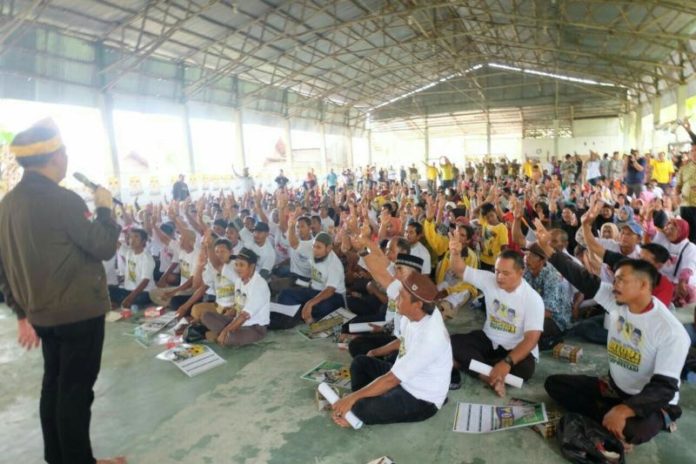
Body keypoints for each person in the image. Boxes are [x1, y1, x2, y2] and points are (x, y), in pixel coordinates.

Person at [0, 119, 125, 463]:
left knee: (54, 387)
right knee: (74, 393)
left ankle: (59, 458)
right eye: (64, 151)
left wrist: (21, 313)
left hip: (42, 315)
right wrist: (104, 207)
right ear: (54, 157)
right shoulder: (63, 200)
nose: (66, 157)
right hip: (77, 314)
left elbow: (3, 267)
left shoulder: (8, 204)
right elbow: (103, 245)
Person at [534, 219, 690, 447]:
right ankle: (609, 413)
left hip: (648, 399)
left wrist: (627, 409)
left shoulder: (671, 331)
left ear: (644, 286)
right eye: (614, 279)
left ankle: (653, 417)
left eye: (621, 281)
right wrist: (547, 249)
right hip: (614, 388)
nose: (614, 285)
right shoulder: (617, 300)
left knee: (631, 430)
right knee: (555, 384)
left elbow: (664, 388)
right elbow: (582, 279)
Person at [330, 270, 452, 427]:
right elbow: (402, 341)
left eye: (401, 297)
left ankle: (359, 409)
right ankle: (362, 404)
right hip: (404, 377)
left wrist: (352, 399)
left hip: (421, 398)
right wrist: (375, 352)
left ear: (417, 305)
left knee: (360, 407)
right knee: (360, 363)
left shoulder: (430, 337)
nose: (396, 299)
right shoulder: (414, 314)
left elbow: (392, 379)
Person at [448, 235, 544, 396]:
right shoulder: (489, 279)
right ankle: (491, 377)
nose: (499, 277)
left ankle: (473, 366)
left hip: (514, 348)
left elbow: (531, 339)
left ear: (521, 272)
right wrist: (455, 253)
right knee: (453, 342)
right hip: (489, 339)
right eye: (497, 271)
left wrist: (507, 363)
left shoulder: (532, 299)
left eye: (506, 273)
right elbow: (460, 270)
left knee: (524, 371)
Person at [274, 231, 346, 328]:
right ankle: (300, 314)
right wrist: (291, 225)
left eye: (319, 247)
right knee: (285, 294)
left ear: (328, 248)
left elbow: (330, 290)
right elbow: (294, 244)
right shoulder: (311, 248)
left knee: (323, 307)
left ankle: (299, 313)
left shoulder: (335, 264)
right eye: (314, 246)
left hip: (334, 296)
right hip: (313, 290)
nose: (315, 250)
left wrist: (310, 303)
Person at [200, 248, 270, 346]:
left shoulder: (260, 285)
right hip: (237, 321)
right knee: (205, 316)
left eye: (241, 265)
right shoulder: (239, 281)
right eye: (236, 264)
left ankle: (221, 335)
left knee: (228, 338)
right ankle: (221, 334)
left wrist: (225, 331)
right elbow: (237, 306)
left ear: (252, 266)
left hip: (255, 328)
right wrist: (224, 319)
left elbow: (244, 316)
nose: (237, 268)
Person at [108, 228, 155, 310]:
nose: (132, 239)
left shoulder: (146, 258)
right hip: (128, 291)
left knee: (139, 299)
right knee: (108, 289)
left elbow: (145, 282)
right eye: (130, 237)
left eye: (136, 237)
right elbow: (116, 243)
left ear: (143, 241)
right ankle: (122, 302)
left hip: (144, 293)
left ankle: (122, 302)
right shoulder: (129, 252)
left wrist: (130, 298)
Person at [676, 121, 696, 243]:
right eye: (692, 151)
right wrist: (688, 130)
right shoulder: (685, 168)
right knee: (688, 234)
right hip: (685, 204)